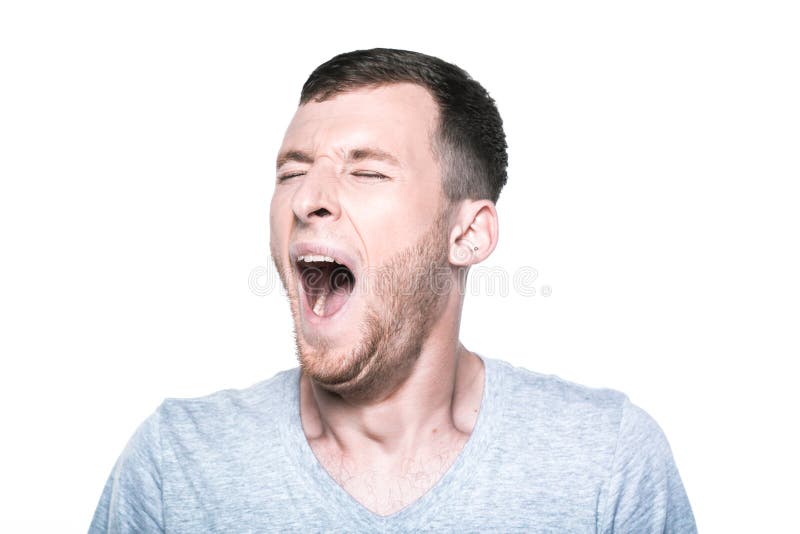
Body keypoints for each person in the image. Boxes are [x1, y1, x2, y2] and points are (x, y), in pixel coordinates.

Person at [90, 48, 696, 533]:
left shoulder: (604, 465)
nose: (307, 199)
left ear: (469, 233)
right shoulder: (176, 465)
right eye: (292, 172)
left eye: (368, 171)